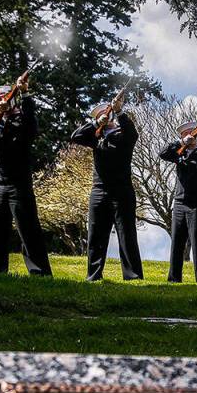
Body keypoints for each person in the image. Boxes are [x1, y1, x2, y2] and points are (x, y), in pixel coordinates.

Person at [0, 77, 52, 276]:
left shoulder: (23, 119)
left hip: (19, 183)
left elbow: (32, 127)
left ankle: (40, 272)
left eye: (5, 98)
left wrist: (24, 93)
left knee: (29, 229)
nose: (3, 101)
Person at [70, 100, 143, 281]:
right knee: (96, 235)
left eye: (106, 114)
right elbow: (75, 136)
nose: (104, 117)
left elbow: (133, 134)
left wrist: (120, 112)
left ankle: (132, 275)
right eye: (99, 115)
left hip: (122, 191)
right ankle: (93, 276)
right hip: (99, 191)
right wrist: (96, 124)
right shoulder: (95, 136)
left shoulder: (122, 134)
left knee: (126, 235)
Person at [159, 120, 197, 282]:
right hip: (179, 203)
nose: (189, 136)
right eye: (185, 134)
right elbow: (162, 153)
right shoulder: (179, 152)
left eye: (192, 133)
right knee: (177, 243)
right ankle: (173, 279)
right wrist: (180, 143)